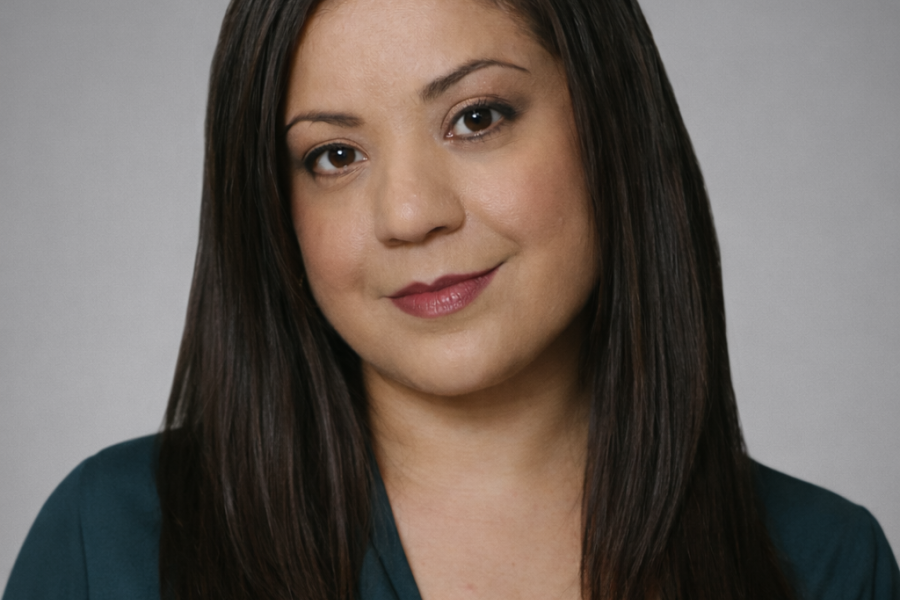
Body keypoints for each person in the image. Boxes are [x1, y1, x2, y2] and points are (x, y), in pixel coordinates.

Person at [4, 0, 898, 598]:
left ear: (610, 121)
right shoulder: (114, 541)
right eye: (334, 156)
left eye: (477, 117)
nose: (408, 214)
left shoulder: (824, 566)